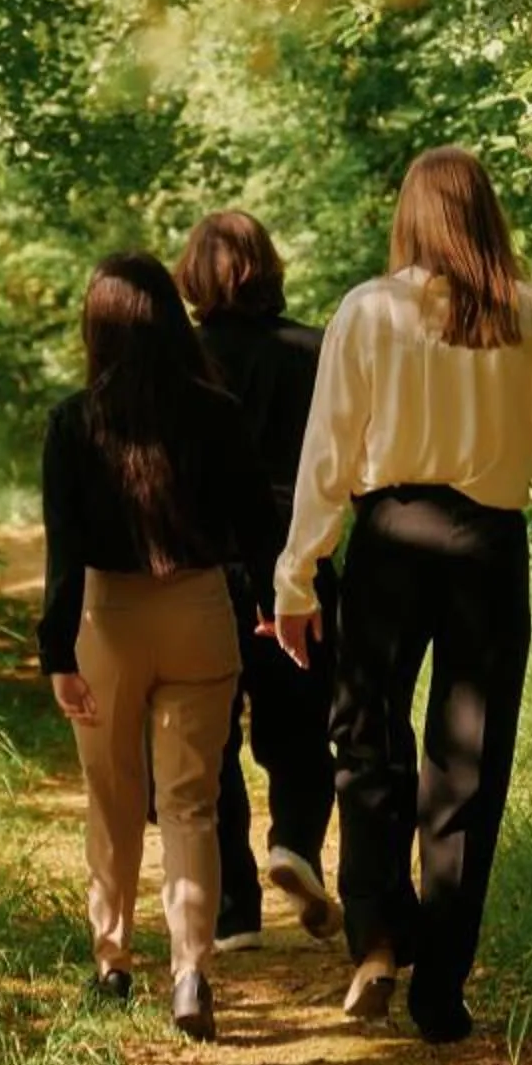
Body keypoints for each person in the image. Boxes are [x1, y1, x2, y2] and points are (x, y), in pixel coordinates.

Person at [268, 148, 532, 1045]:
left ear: (411, 216)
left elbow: (328, 453)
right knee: (471, 765)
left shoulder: (369, 311)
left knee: (367, 731)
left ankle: (376, 931)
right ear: (487, 214)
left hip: (391, 541)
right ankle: (441, 992)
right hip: (488, 550)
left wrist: (297, 575)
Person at [38, 252, 272, 1043]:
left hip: (107, 619)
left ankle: (111, 962)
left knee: (112, 800)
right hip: (199, 610)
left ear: (97, 328)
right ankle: (190, 969)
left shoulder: (73, 423)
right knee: (190, 803)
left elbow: (63, 551)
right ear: (175, 320)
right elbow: (254, 527)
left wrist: (58, 653)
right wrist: (275, 603)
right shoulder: (216, 409)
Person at [174, 211, 344, 951]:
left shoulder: (182, 360)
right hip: (298, 556)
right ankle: (297, 846)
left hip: (207, 562)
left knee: (209, 737)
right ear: (270, 267)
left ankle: (234, 908)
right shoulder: (317, 350)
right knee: (302, 717)